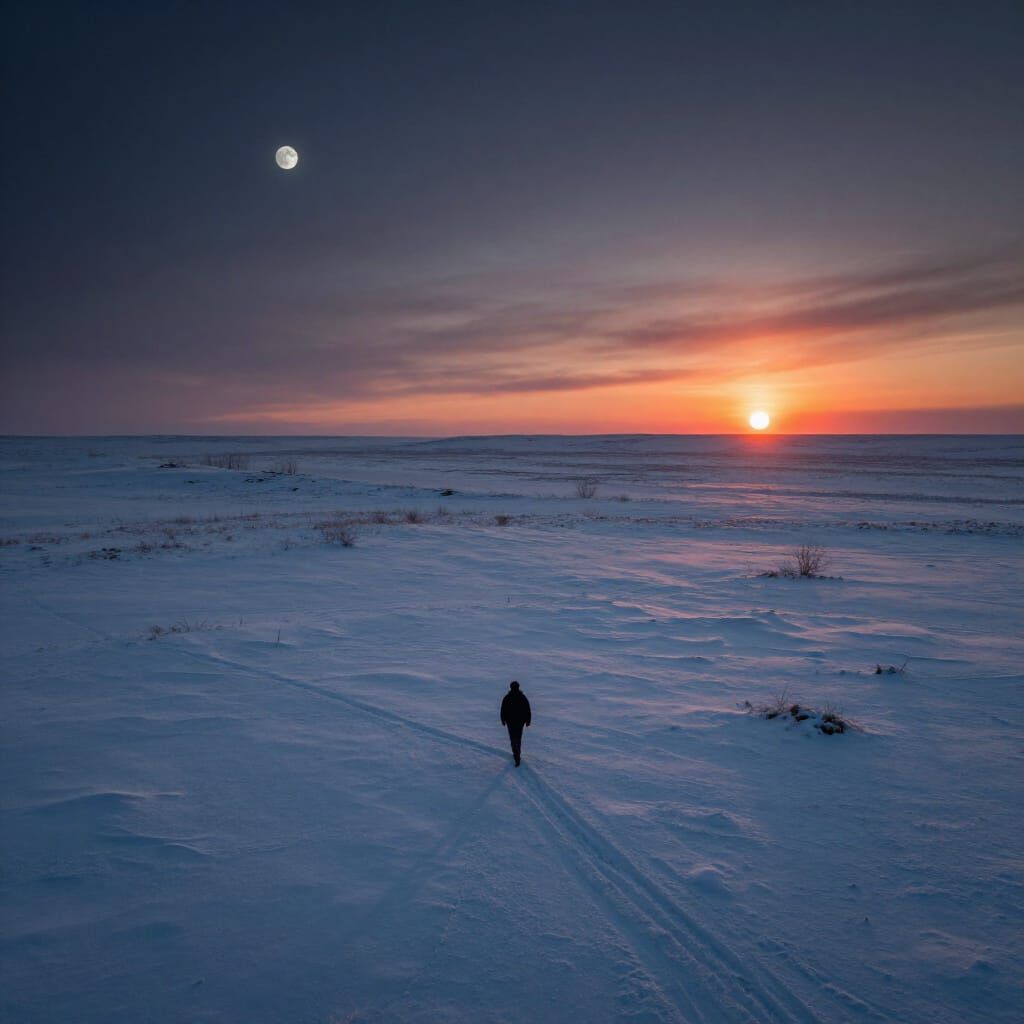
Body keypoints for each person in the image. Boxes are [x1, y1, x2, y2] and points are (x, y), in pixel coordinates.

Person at [500, 680, 531, 766]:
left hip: (510, 722)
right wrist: (528, 721)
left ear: (510, 687)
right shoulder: (522, 697)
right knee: (518, 737)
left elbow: (503, 710)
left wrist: (503, 720)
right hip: (520, 722)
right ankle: (517, 753)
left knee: (513, 738)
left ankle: (516, 753)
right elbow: (527, 710)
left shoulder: (507, 697)